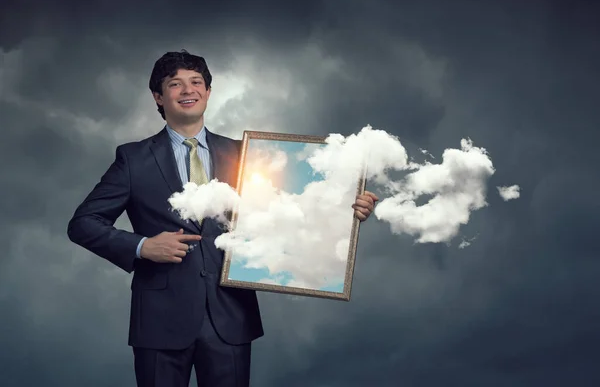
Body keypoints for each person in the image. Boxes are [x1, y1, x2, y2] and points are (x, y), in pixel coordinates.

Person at [67, 50, 379, 387]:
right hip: (160, 321)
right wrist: (143, 246)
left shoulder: (246, 156)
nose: (188, 90)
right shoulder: (133, 159)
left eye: (196, 82)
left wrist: (345, 208)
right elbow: (83, 224)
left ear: (208, 92)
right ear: (159, 97)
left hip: (230, 317)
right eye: (175, 84)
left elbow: (292, 213)